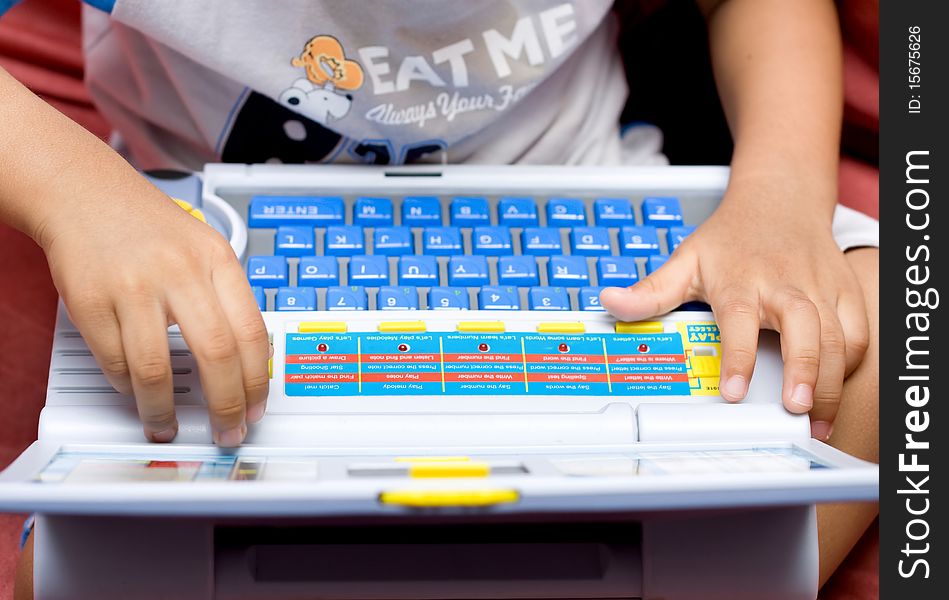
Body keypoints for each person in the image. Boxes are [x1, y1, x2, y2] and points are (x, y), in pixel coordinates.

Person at [1, 0, 878, 592]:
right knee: (75, 563)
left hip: (588, 205)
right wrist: (77, 192)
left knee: (894, 313)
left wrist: (780, 197)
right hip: (201, 229)